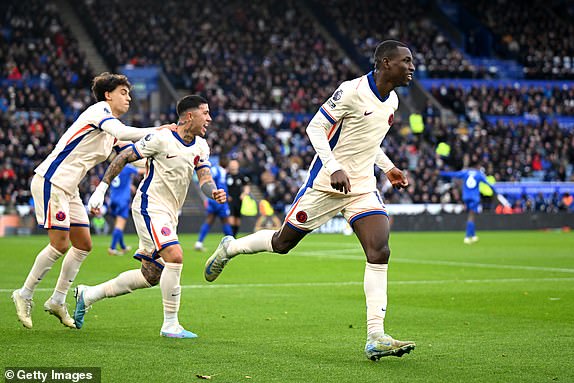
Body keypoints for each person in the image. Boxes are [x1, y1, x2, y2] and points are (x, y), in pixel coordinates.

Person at [204, 40, 416, 361]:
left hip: (361, 186)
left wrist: (388, 168)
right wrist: (334, 167)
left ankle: (376, 334)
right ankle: (230, 248)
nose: (412, 66)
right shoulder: (352, 90)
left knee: (380, 250)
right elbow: (315, 127)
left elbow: (368, 142)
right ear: (386, 63)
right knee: (282, 243)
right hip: (325, 184)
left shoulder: (393, 101)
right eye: (406, 61)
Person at [12, 72, 175, 329]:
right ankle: (24, 293)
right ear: (108, 95)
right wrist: (159, 130)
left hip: (70, 189)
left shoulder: (110, 132)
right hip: (51, 181)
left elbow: (129, 154)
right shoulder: (98, 111)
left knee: (84, 245)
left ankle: (57, 300)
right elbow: (124, 132)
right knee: (60, 244)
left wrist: (169, 159)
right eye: (124, 93)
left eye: (129, 94)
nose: (129, 98)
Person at [75, 95, 226, 338]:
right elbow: (124, 156)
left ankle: (88, 294)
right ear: (189, 116)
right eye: (205, 113)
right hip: (149, 206)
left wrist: (213, 192)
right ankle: (170, 325)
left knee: (150, 275)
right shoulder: (161, 138)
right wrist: (101, 189)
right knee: (175, 256)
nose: (209, 118)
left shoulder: (201, 146)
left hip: (169, 213)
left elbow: (205, 179)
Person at [440, 164, 497, 244]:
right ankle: (467, 237)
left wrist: (442, 173)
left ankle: (473, 236)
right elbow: (487, 183)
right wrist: (496, 189)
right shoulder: (478, 174)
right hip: (474, 197)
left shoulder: (465, 173)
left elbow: (454, 174)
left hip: (466, 197)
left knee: (471, 214)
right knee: (471, 216)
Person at [194, 158, 234, 251]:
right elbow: (212, 182)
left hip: (212, 200)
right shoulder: (220, 171)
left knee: (209, 220)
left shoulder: (218, 170)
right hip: (219, 200)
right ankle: (232, 243)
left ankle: (199, 242)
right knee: (225, 221)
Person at [108, 164, 140, 255]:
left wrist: (129, 185)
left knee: (118, 224)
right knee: (120, 225)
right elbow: (141, 171)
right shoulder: (127, 167)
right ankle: (112, 248)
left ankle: (123, 246)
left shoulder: (113, 166)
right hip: (123, 200)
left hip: (113, 199)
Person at [226, 159, 250, 237]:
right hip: (229, 200)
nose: (233, 166)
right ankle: (230, 235)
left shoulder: (241, 176)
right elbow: (221, 186)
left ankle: (234, 236)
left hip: (239, 200)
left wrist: (244, 194)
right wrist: (226, 195)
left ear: (238, 165)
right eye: (232, 164)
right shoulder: (226, 175)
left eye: (234, 164)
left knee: (237, 218)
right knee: (231, 217)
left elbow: (247, 186)